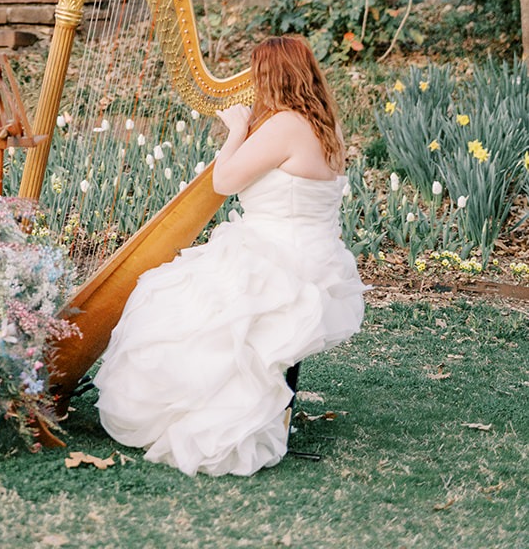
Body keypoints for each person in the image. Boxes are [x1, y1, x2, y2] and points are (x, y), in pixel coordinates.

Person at [94, 34, 365, 477]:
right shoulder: (324, 124)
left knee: (171, 299)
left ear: (271, 77)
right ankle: (266, 406)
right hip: (316, 254)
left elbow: (224, 181)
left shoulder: (284, 125)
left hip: (276, 255)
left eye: (256, 74)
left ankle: (222, 409)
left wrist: (237, 130)